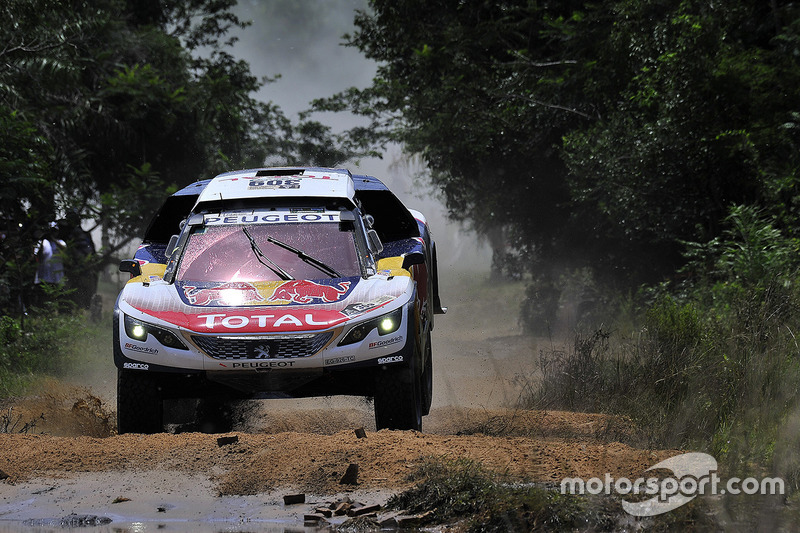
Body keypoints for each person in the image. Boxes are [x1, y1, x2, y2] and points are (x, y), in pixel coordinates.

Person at [33, 223, 66, 308]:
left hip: (57, 276)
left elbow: (64, 249)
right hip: (44, 276)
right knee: (43, 298)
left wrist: (53, 239)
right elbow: (36, 256)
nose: (53, 233)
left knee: (58, 297)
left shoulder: (60, 242)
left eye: (55, 231)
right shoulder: (42, 243)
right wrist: (42, 239)